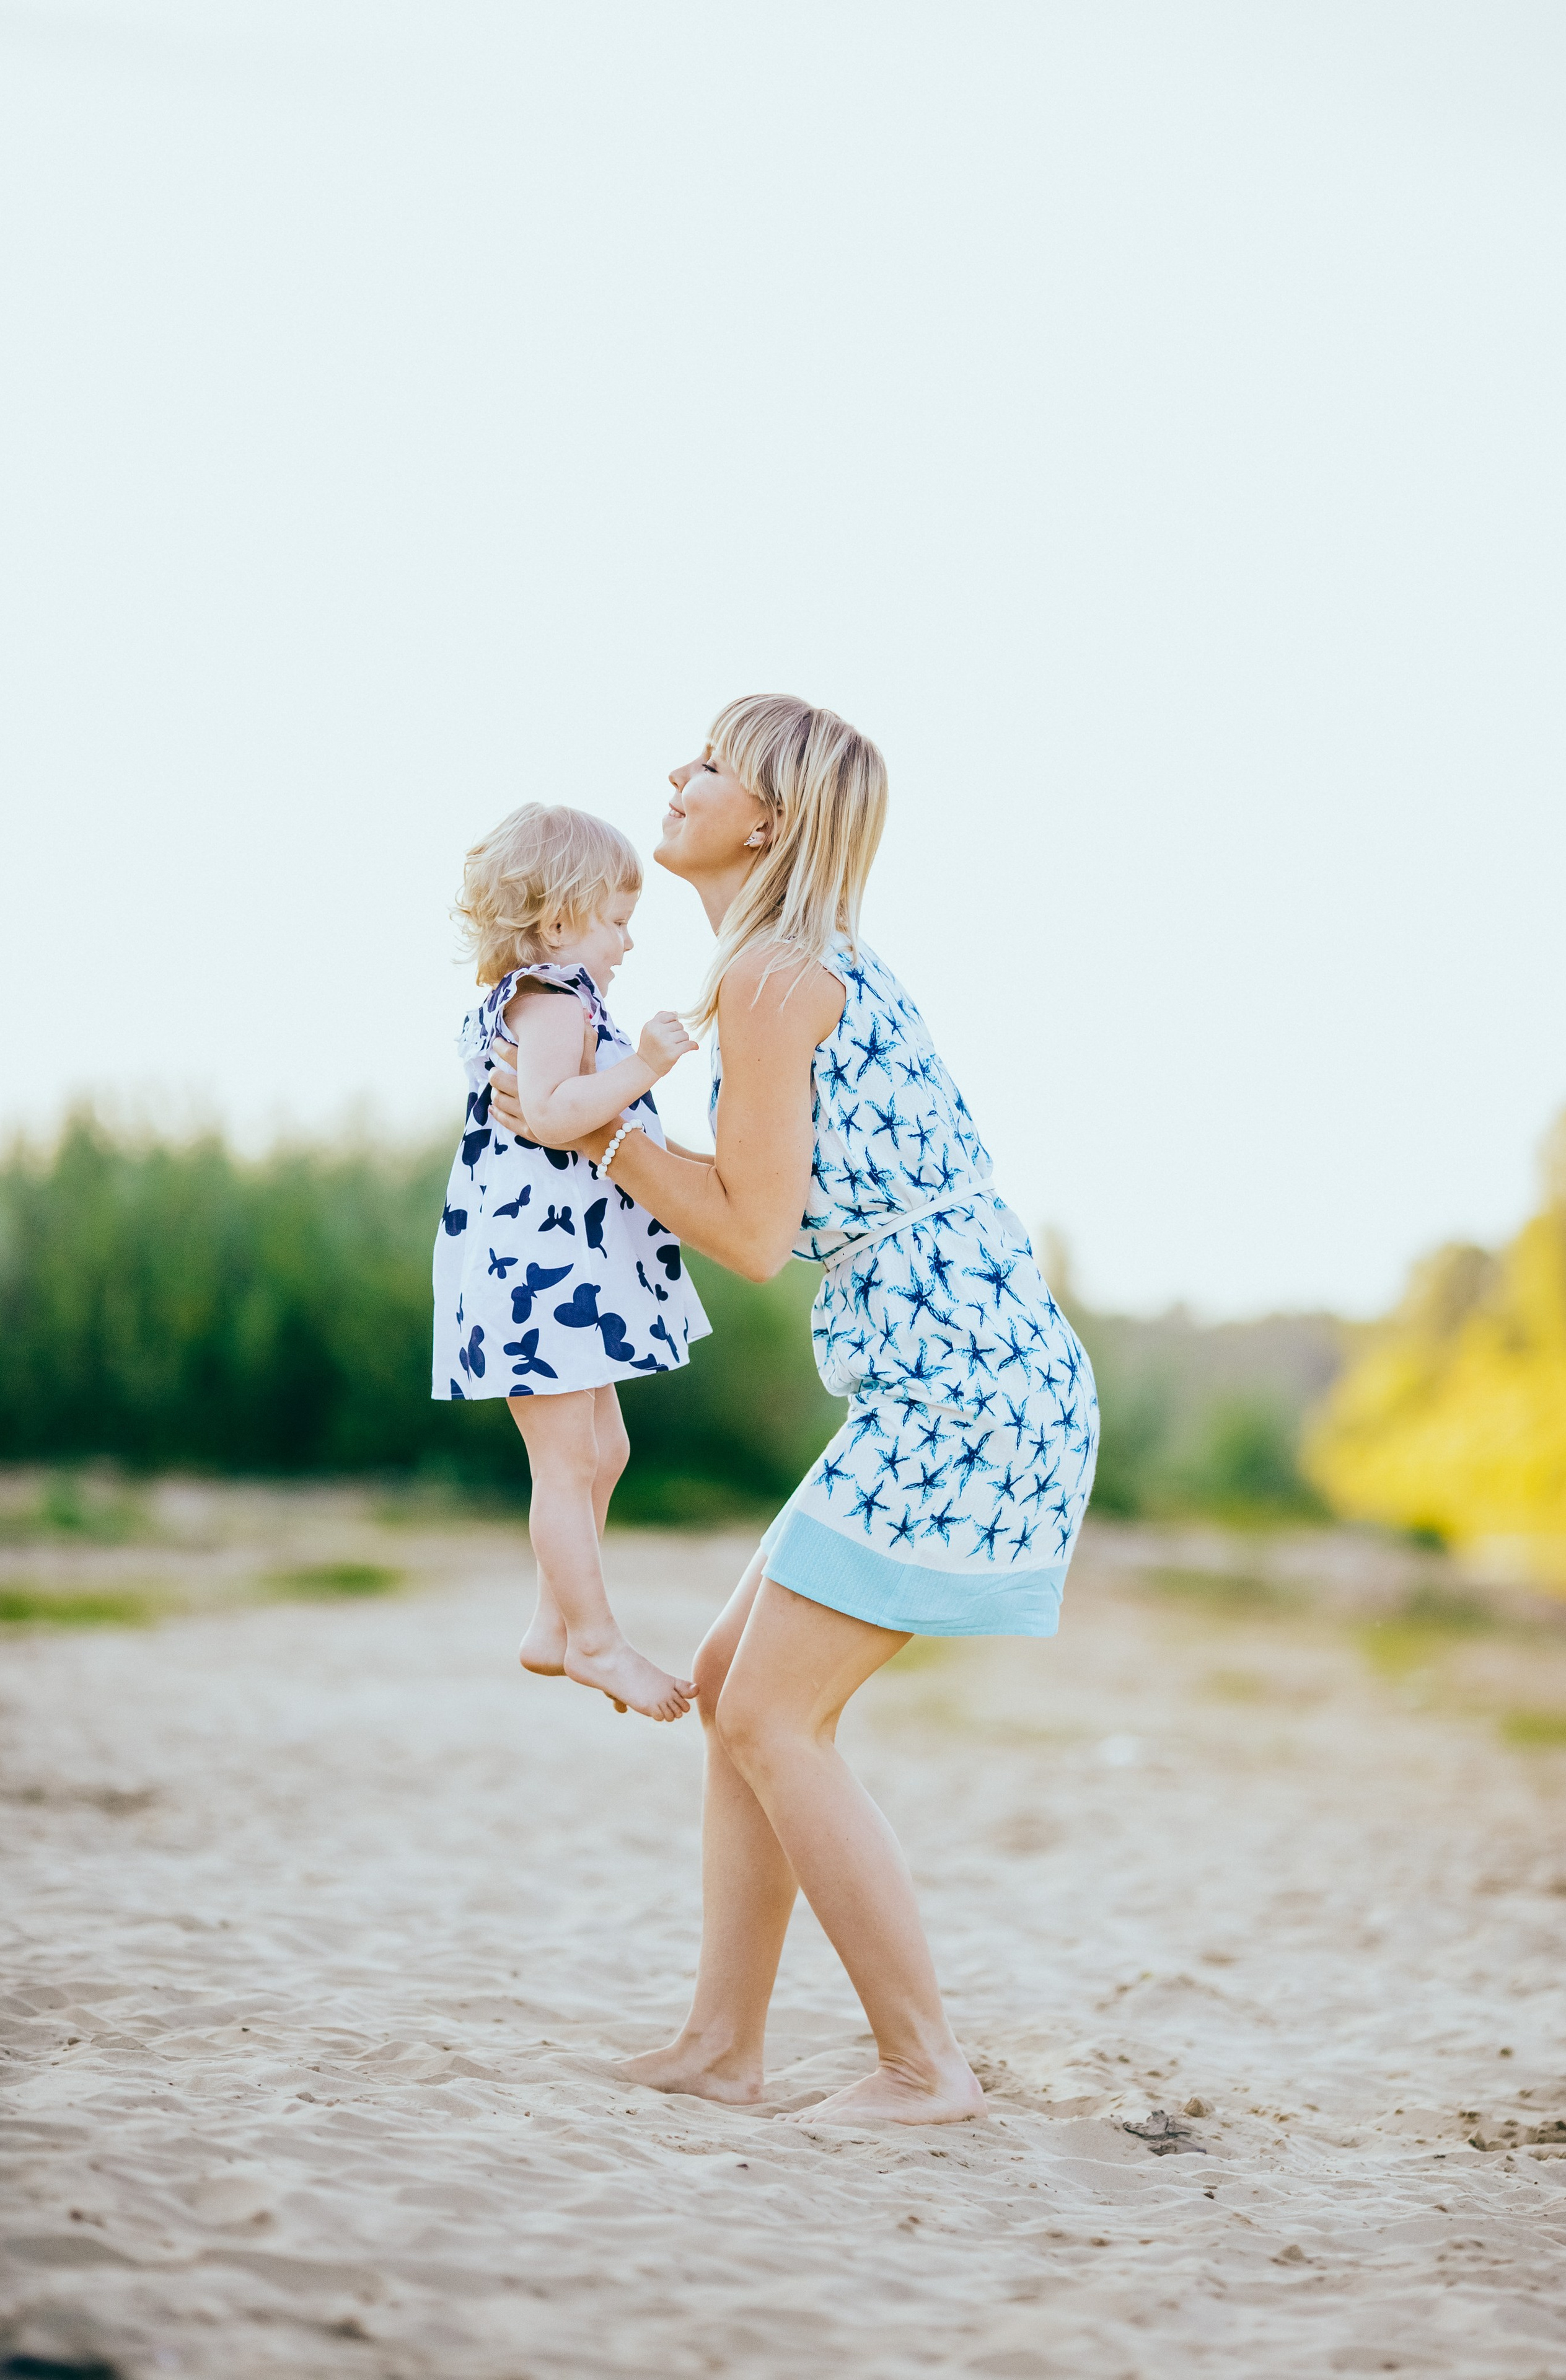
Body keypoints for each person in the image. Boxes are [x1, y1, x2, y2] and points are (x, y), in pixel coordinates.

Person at [489, 700, 1099, 2123]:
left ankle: (920, 2069)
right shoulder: (767, 969)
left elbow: (754, 1235)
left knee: (771, 1718)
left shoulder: (771, 977)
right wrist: (611, 1121)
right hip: (931, 1375)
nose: (675, 775)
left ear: (766, 818)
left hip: (967, 1387)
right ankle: (722, 2047)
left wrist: (601, 1124)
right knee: (728, 1692)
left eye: (706, 764)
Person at [434, 801, 711, 1723]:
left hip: (556, 1267)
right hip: (535, 1273)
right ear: (557, 923)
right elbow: (552, 1113)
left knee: (607, 1448)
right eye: (618, 919)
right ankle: (595, 1642)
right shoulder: (548, 997)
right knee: (564, 1463)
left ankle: (552, 1628)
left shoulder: (564, 996)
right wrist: (649, 1068)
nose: (630, 941)